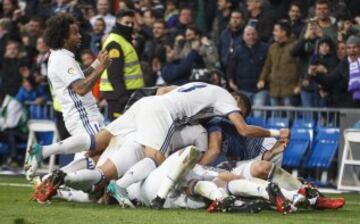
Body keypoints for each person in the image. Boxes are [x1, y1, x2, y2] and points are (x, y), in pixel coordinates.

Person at [25, 13, 111, 179]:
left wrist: (97, 63)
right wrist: (101, 69)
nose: (79, 36)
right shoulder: (62, 59)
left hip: (81, 115)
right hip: (83, 115)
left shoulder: (61, 57)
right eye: (74, 33)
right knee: (101, 151)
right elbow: (81, 88)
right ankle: (44, 152)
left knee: (92, 158)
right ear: (63, 38)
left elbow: (80, 77)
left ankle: (50, 180)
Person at [100, 9, 145, 121]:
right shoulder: (115, 42)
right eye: (126, 23)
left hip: (128, 93)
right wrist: (123, 98)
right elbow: (114, 74)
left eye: (132, 23)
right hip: (120, 96)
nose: (130, 26)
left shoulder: (124, 40)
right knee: (120, 132)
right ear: (118, 22)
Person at [257, 20, 301, 106]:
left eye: (276, 30)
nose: (273, 33)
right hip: (274, 89)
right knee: (275, 118)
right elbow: (267, 66)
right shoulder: (272, 47)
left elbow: (301, 67)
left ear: (284, 32)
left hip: (290, 89)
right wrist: (262, 79)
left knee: (289, 118)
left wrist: (299, 85)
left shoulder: (296, 47)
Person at [227, 25, 269, 113]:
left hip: (260, 89)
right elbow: (231, 67)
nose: (251, 37)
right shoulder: (237, 49)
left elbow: (268, 67)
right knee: (243, 114)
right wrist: (231, 81)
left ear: (257, 35)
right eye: (248, 34)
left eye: (253, 34)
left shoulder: (265, 48)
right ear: (243, 36)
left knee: (258, 112)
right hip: (242, 89)